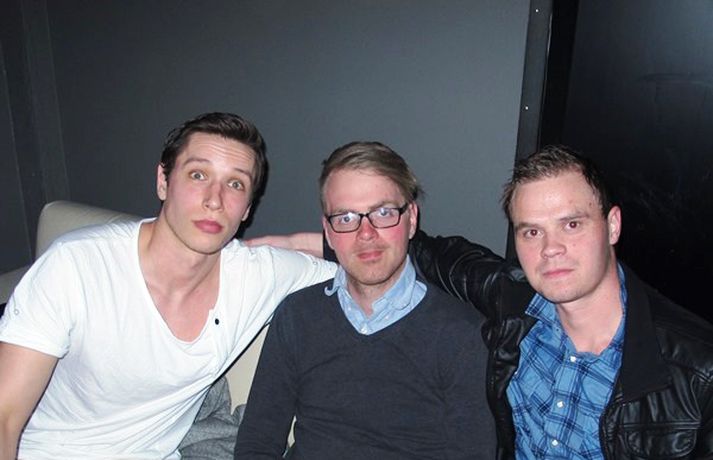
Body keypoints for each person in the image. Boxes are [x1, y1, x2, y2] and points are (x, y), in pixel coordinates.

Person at [257, 145, 713, 458]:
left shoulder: (698, 371)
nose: (551, 248)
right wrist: (306, 243)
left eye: (571, 224)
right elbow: (398, 247)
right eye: (531, 231)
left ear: (612, 225)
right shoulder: (510, 305)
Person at [0, 112, 336, 459]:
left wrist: (296, 242)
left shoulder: (257, 275)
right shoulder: (76, 265)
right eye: (198, 175)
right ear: (163, 181)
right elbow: (4, 416)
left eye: (235, 184)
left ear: (247, 208)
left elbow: (362, 264)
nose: (215, 200)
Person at [234, 141, 496, 459]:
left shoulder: (461, 335)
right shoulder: (297, 316)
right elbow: (257, 444)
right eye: (346, 218)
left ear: (412, 219)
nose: (366, 233)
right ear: (328, 232)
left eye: (383, 213)